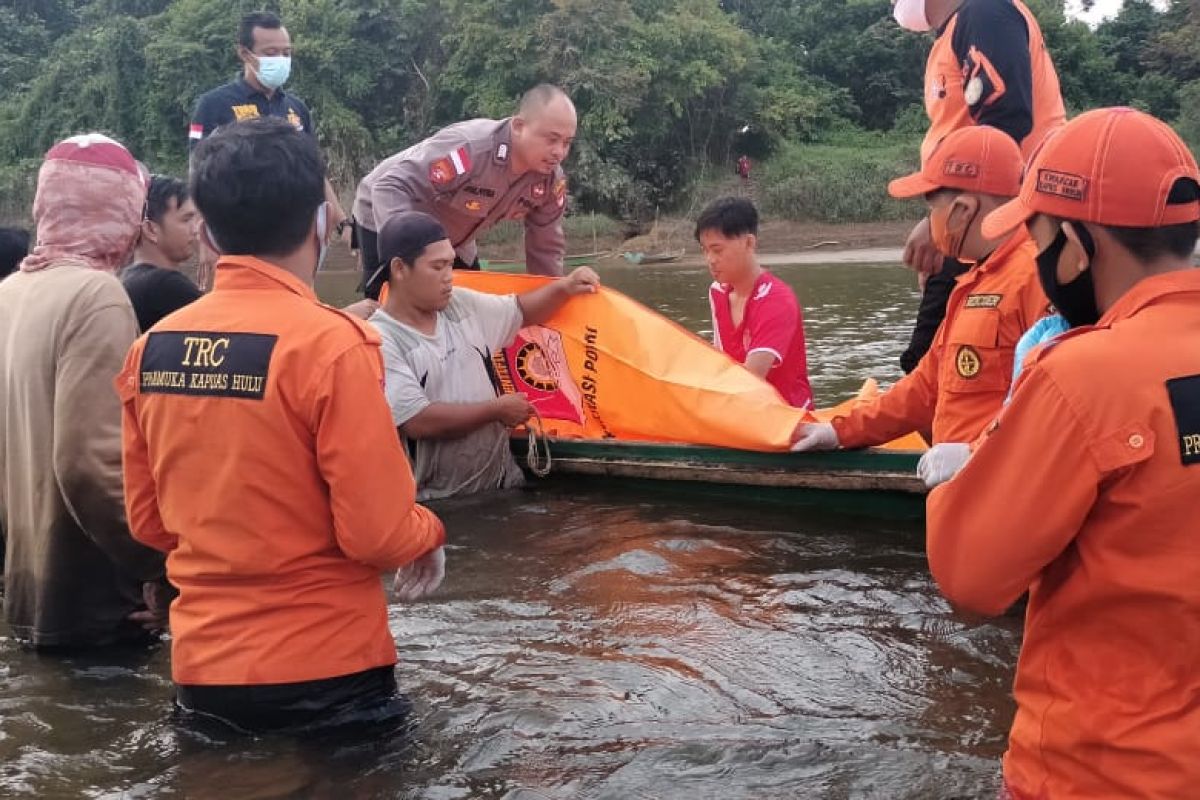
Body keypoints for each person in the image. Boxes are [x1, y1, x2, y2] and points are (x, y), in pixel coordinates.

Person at [118, 118, 445, 733]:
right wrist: (427, 531)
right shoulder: (335, 346)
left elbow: (149, 521)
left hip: (204, 673)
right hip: (329, 671)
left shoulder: (152, 349)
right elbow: (375, 535)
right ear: (319, 223)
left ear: (209, 233)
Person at [927, 107, 1200, 799]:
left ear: (1077, 245)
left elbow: (970, 575)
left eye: (1042, 237)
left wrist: (972, 458)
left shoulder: (1082, 375)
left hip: (1098, 772)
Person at [0, 133, 168, 648]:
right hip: (97, 597)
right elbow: (90, 465)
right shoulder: (97, 295)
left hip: (26, 587)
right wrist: (159, 566)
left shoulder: (9, 291)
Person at [791, 125, 1047, 453]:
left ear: (962, 211)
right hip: (965, 493)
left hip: (1003, 489)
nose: (928, 223)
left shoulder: (1035, 276)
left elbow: (1054, 407)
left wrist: (977, 454)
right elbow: (925, 388)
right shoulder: (975, 279)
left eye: (931, 211)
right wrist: (840, 432)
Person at [366, 211, 598, 501]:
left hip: (502, 482)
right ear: (399, 268)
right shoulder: (380, 339)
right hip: (439, 502)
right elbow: (418, 421)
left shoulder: (459, 304)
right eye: (437, 267)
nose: (448, 277)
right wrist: (496, 410)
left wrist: (565, 287)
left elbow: (521, 311)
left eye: (450, 264)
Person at [890, 0, 1065, 373]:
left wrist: (944, 225)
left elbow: (1005, 119)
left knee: (933, 367)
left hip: (998, 220)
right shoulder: (956, 31)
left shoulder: (985, 13)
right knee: (941, 362)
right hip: (973, 220)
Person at [353, 84, 576, 298]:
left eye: (567, 143)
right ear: (518, 127)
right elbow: (389, 187)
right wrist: (412, 258)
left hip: (455, 236)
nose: (559, 152)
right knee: (396, 306)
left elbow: (546, 249)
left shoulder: (550, 181)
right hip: (385, 208)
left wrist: (551, 298)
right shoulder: (471, 150)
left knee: (471, 310)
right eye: (551, 139)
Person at [190, 11, 349, 243]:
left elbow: (314, 172)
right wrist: (204, 234)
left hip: (294, 235)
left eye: (286, 53)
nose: (282, 60)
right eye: (271, 53)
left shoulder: (296, 108)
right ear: (245, 53)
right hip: (239, 233)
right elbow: (197, 174)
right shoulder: (213, 105)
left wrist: (342, 223)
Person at [697, 197, 813, 410]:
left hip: (784, 418)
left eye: (717, 250)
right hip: (739, 412)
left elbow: (750, 379)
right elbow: (720, 359)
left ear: (749, 243)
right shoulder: (717, 292)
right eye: (705, 250)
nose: (710, 259)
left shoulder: (777, 299)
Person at [121, 175, 202, 331]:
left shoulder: (128, 279)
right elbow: (227, 327)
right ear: (151, 230)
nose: (195, 229)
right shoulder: (165, 286)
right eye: (186, 220)